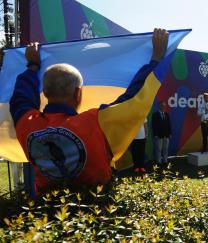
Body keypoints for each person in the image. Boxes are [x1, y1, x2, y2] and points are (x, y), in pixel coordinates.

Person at [9, 28, 169, 194]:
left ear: (46, 93)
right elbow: (135, 98)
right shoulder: (97, 121)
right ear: (78, 93)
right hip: (95, 212)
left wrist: (32, 66)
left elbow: (21, 97)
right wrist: (156, 59)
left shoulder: (27, 124)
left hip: (47, 214)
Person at [152, 101, 172, 166]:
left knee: (165, 149)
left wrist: (170, 133)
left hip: (166, 135)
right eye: (162, 106)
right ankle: (158, 162)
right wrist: (155, 134)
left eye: (164, 106)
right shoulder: (155, 115)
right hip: (158, 136)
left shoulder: (167, 114)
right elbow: (154, 126)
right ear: (159, 106)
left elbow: (169, 125)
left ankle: (165, 161)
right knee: (159, 149)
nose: (164, 107)